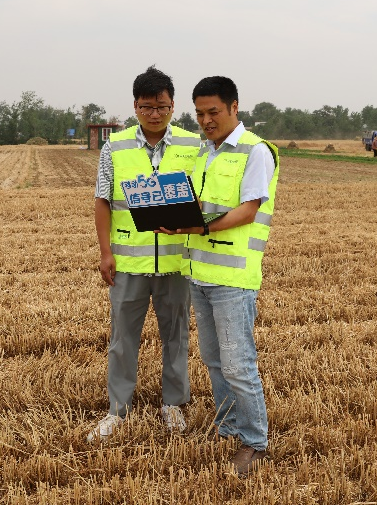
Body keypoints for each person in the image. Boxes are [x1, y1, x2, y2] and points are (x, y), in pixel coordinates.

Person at [159, 76, 279, 477]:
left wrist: (194, 228)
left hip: (233, 278)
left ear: (234, 108)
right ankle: (229, 427)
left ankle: (254, 441)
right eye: (199, 113)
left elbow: (248, 210)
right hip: (199, 273)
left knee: (238, 364)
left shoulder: (255, 151)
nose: (206, 120)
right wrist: (169, 215)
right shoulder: (202, 153)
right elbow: (194, 205)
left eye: (213, 112)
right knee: (213, 360)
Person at [88, 65, 202, 443]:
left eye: (162, 106)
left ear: (173, 106)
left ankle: (173, 404)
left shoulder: (193, 145)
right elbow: (102, 201)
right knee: (122, 339)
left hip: (176, 263)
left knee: (176, 336)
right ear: (135, 106)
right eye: (147, 106)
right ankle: (117, 410)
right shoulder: (114, 147)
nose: (155, 113)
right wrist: (106, 252)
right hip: (128, 264)